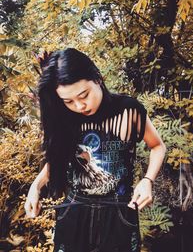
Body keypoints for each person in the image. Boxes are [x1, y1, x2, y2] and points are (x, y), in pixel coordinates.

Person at [24, 48, 166, 252]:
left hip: (118, 212)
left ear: (98, 79)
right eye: (68, 101)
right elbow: (58, 157)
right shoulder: (64, 116)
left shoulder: (129, 109)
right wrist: (35, 187)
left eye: (84, 95)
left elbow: (157, 146)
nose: (79, 105)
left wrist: (147, 180)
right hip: (74, 209)